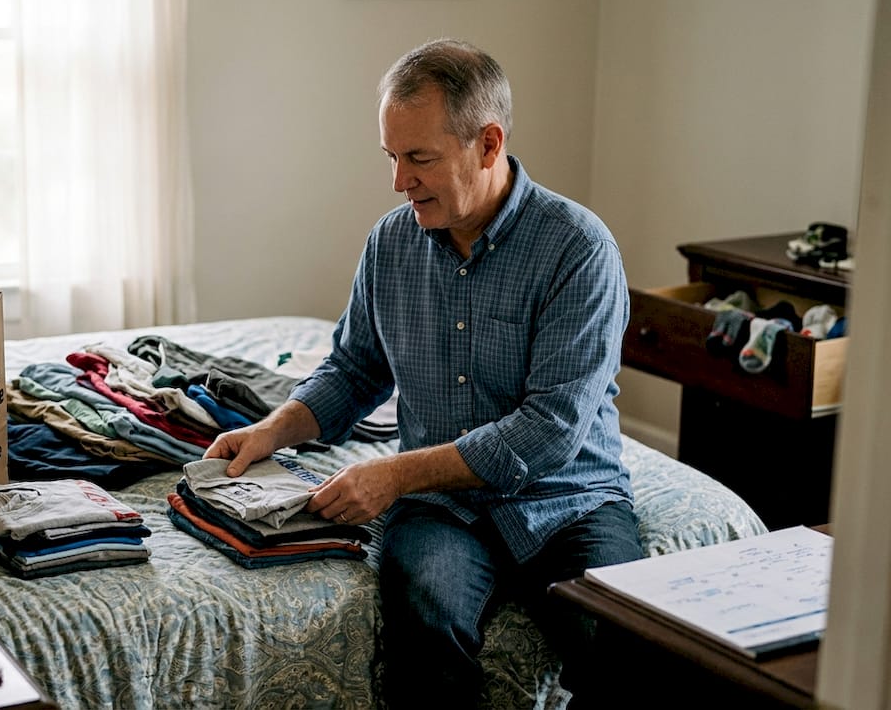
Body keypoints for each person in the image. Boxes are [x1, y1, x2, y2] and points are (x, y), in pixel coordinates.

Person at [203, 38, 641, 709]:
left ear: (488, 145)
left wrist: (395, 474)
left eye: (419, 158)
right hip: (443, 512)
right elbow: (354, 370)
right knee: (422, 635)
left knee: (628, 650)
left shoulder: (579, 250)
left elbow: (549, 430)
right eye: (391, 156)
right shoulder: (390, 243)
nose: (398, 180)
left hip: (569, 502)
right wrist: (273, 430)